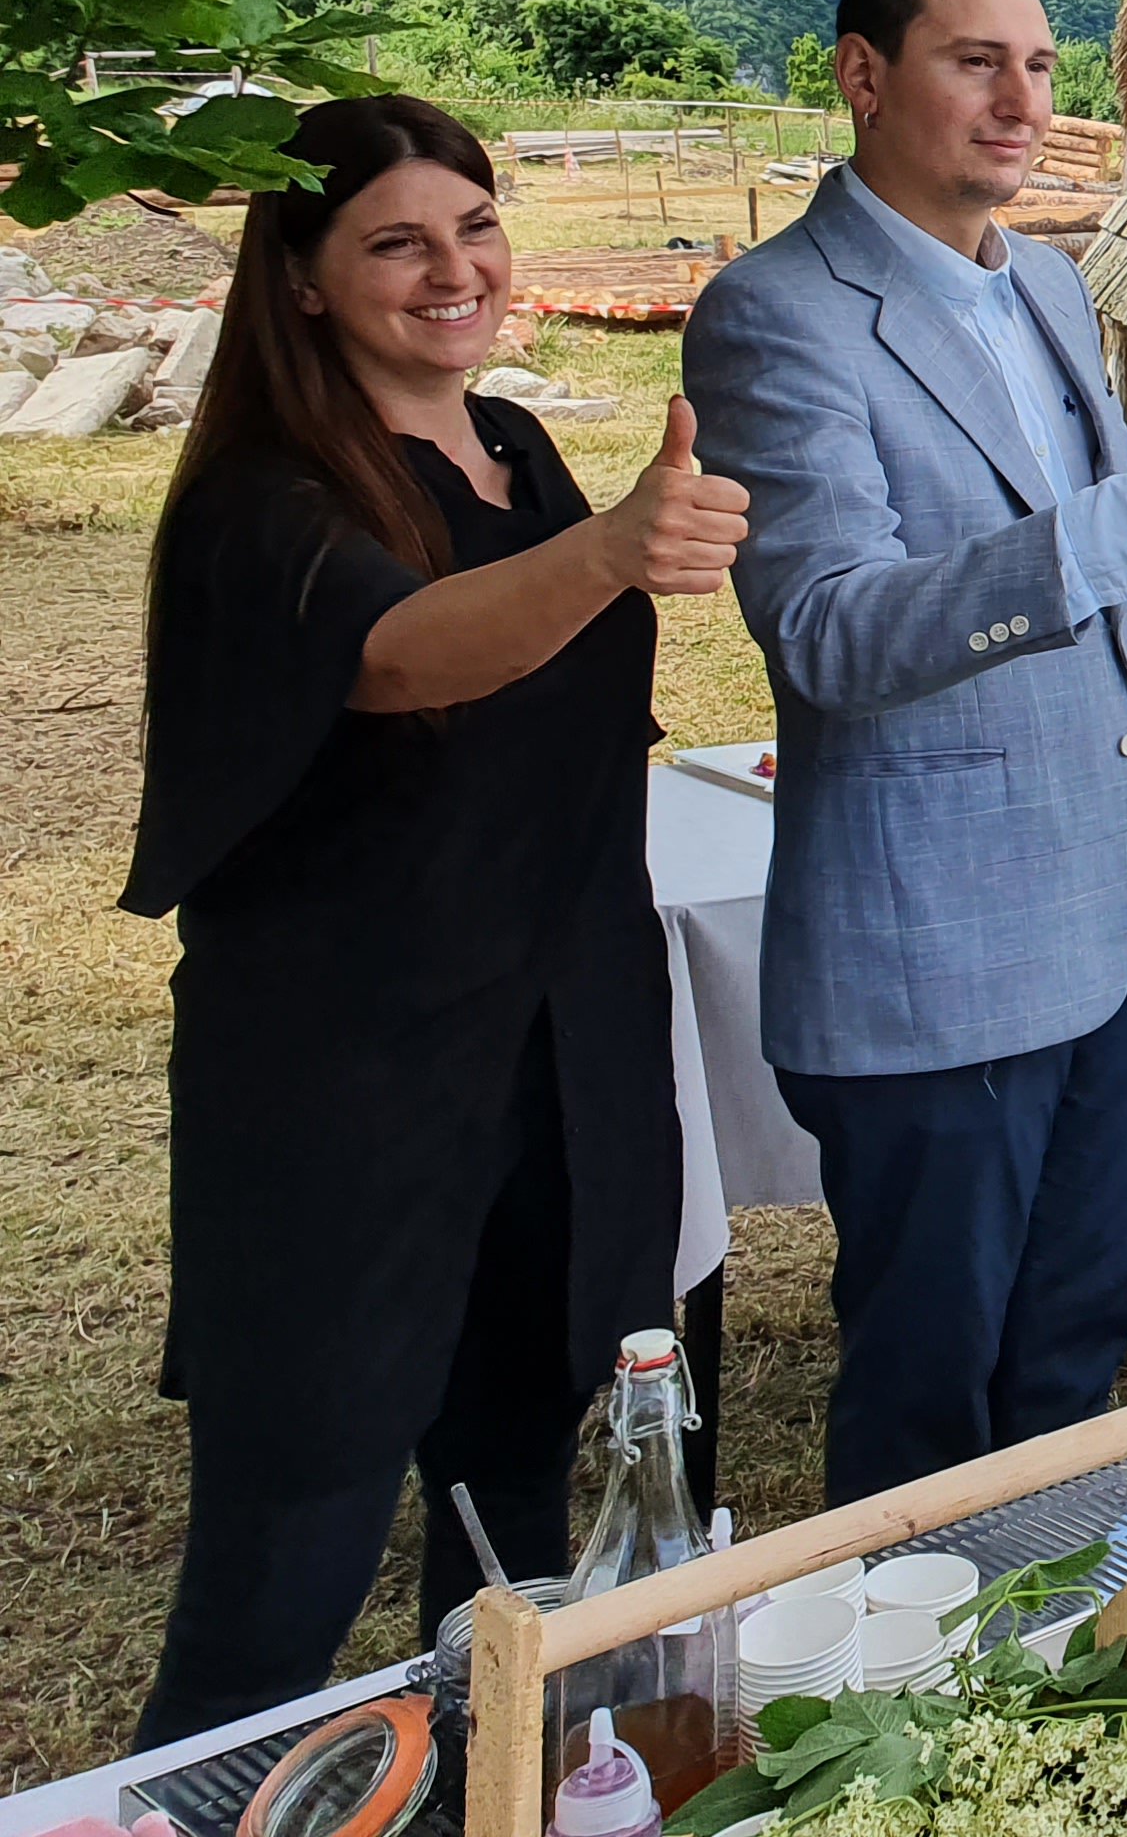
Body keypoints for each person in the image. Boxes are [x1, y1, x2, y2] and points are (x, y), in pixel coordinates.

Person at [126, 97, 747, 1743]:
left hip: (564, 1063)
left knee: (527, 1538)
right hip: (353, 1096)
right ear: (307, 279)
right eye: (396, 239)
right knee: (289, 1556)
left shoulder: (523, 452)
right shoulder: (262, 503)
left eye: (473, 225)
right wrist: (613, 549)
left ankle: (509, 1783)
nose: (453, 267)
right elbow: (404, 654)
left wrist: (599, 535)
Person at [685, 0, 1127, 1502]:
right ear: (864, 76)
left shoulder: (1054, 286)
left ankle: (1065, 1650)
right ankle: (917, 1696)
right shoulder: (780, 314)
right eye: (975, 61)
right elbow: (825, 627)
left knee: (1079, 1334)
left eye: (1040, 65)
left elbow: (1073, 568)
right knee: (930, 1375)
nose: (1021, 101)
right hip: (942, 926)